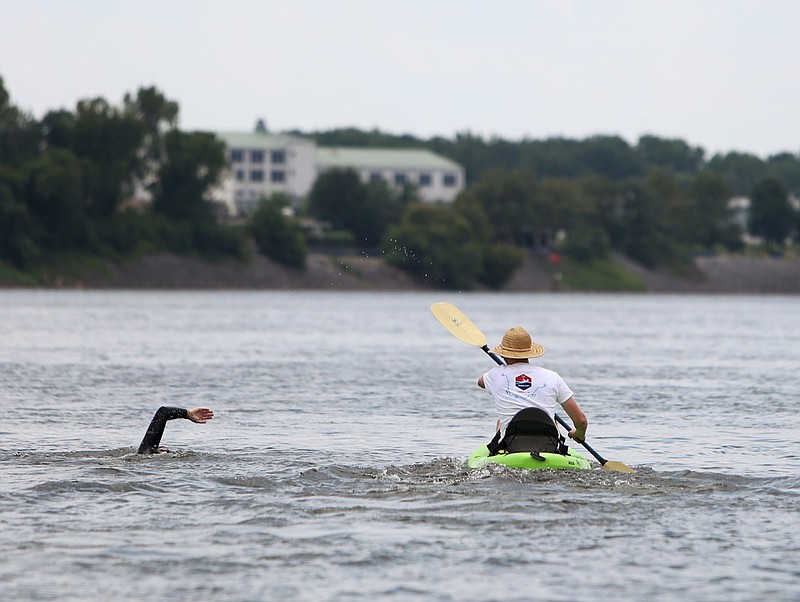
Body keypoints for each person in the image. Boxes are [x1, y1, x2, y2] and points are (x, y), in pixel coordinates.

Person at [478, 326, 587, 453]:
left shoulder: (495, 375)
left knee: (501, 421)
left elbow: (480, 382)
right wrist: (579, 434)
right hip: (549, 446)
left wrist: (502, 373)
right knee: (551, 418)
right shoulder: (552, 377)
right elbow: (581, 420)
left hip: (512, 446)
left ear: (502, 354)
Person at [137, 406, 214, 454]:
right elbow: (163, 411)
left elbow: (163, 412)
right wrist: (188, 414)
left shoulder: (145, 452)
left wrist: (188, 414)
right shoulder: (147, 452)